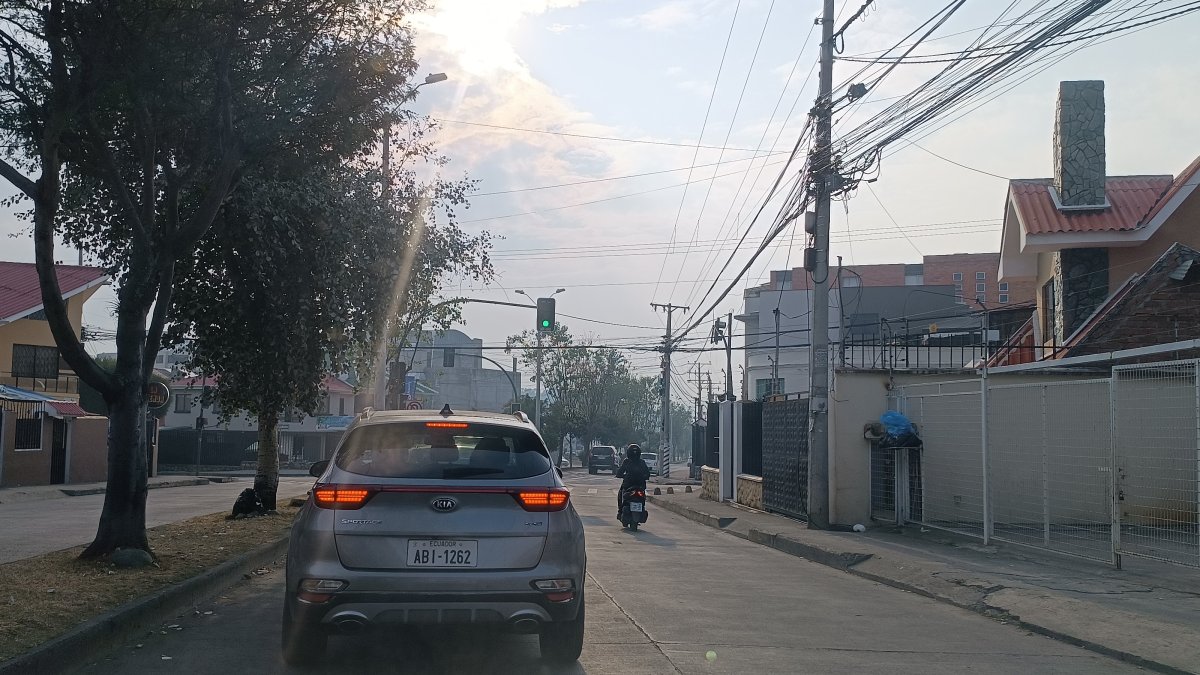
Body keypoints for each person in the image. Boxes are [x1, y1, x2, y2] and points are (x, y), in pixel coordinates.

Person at [615, 443, 650, 518]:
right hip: (640, 485)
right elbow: (647, 474)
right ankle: (641, 509)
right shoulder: (642, 462)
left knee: (620, 493)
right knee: (642, 496)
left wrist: (622, 475)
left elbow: (619, 472)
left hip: (628, 485)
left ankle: (620, 511)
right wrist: (644, 477)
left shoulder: (626, 461)